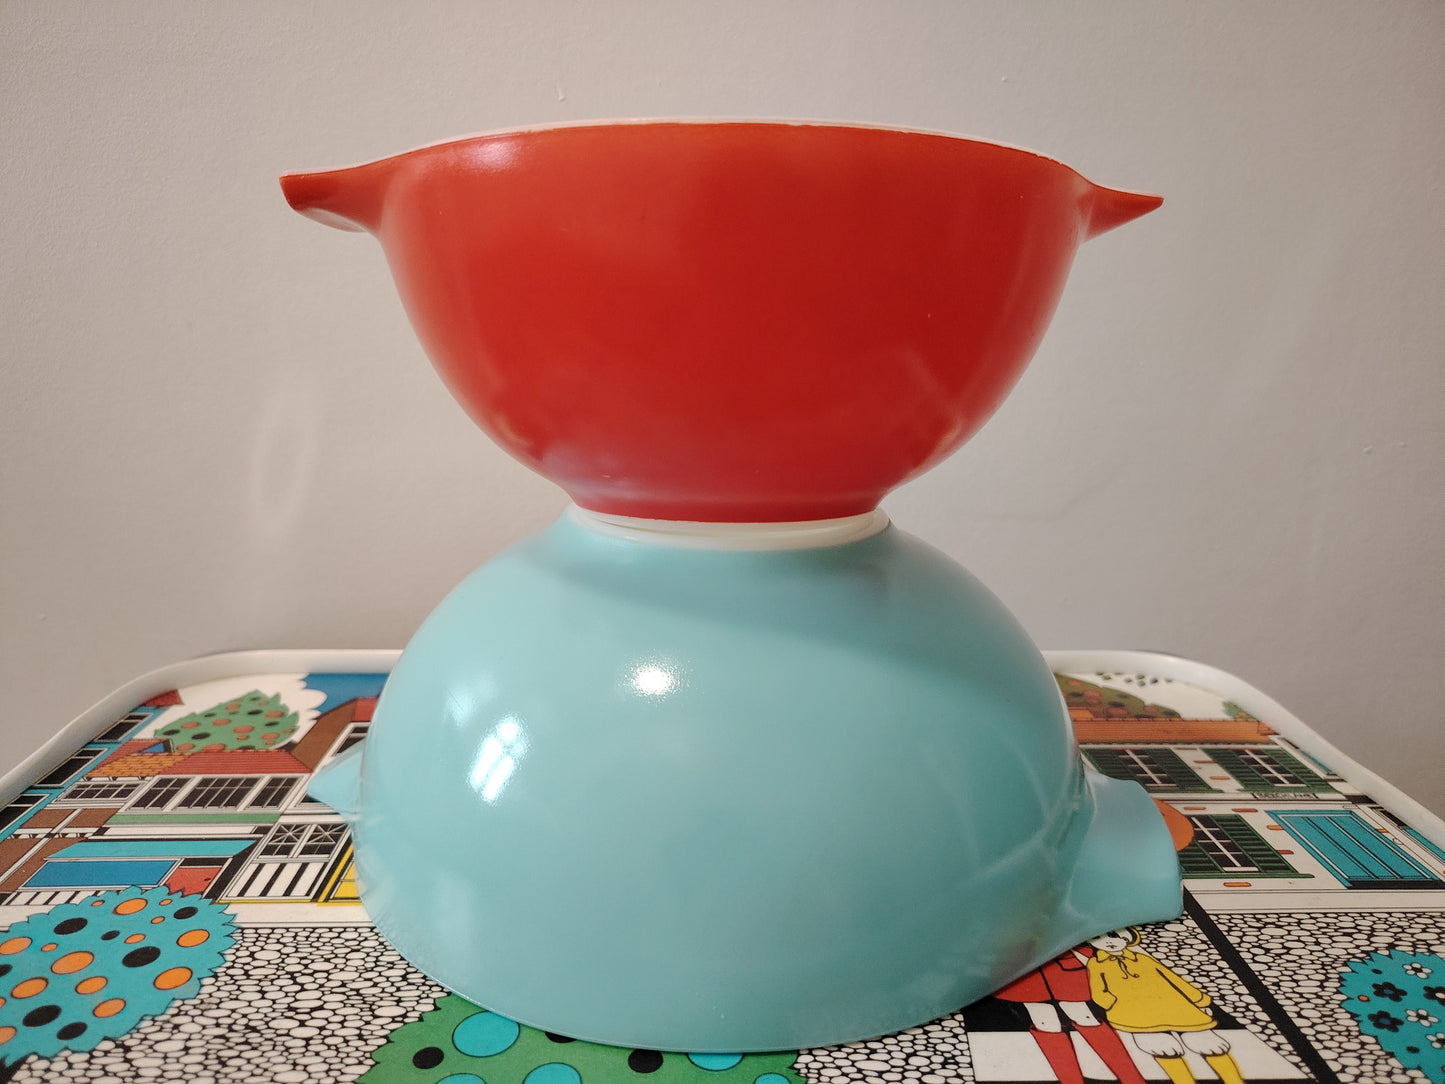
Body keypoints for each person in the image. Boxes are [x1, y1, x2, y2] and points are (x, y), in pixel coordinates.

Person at [1085, 928, 1245, 1084]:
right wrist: (1112, 1003)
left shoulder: (1142, 958)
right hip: (1133, 1013)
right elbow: (1098, 989)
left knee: (1209, 1044)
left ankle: (1234, 1080)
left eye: (1113, 935)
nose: (1108, 941)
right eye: (1097, 936)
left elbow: (1172, 978)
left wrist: (1199, 999)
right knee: (1163, 1049)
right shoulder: (1096, 963)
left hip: (1175, 1005)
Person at [994, 945, 1146, 1084]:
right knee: (1045, 1022)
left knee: (1084, 1015)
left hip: (1062, 960)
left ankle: (1132, 1079)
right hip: (1018, 966)